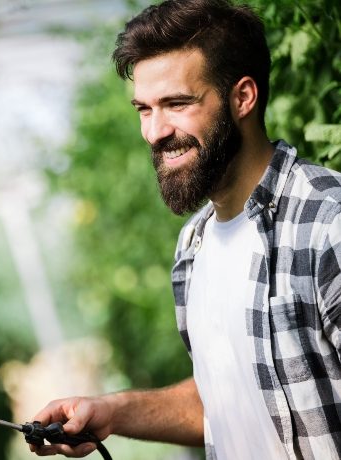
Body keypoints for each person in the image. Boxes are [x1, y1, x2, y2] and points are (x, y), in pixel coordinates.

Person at [30, 1, 341, 458]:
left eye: (176, 104)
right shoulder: (193, 248)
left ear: (243, 98)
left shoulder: (326, 224)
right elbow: (226, 400)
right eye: (144, 109)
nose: (155, 132)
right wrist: (112, 412)